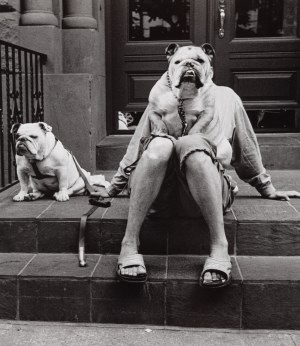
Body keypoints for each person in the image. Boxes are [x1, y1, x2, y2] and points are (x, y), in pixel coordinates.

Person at [93, 43, 300, 288]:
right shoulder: (160, 99)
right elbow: (137, 147)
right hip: (159, 194)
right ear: (170, 67)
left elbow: (245, 148)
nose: (189, 66)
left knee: (194, 147)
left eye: (198, 61)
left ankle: (219, 246)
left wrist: (266, 187)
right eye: (180, 62)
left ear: (209, 67)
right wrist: (113, 188)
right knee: (158, 146)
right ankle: (129, 242)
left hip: (203, 193)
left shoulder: (226, 97)